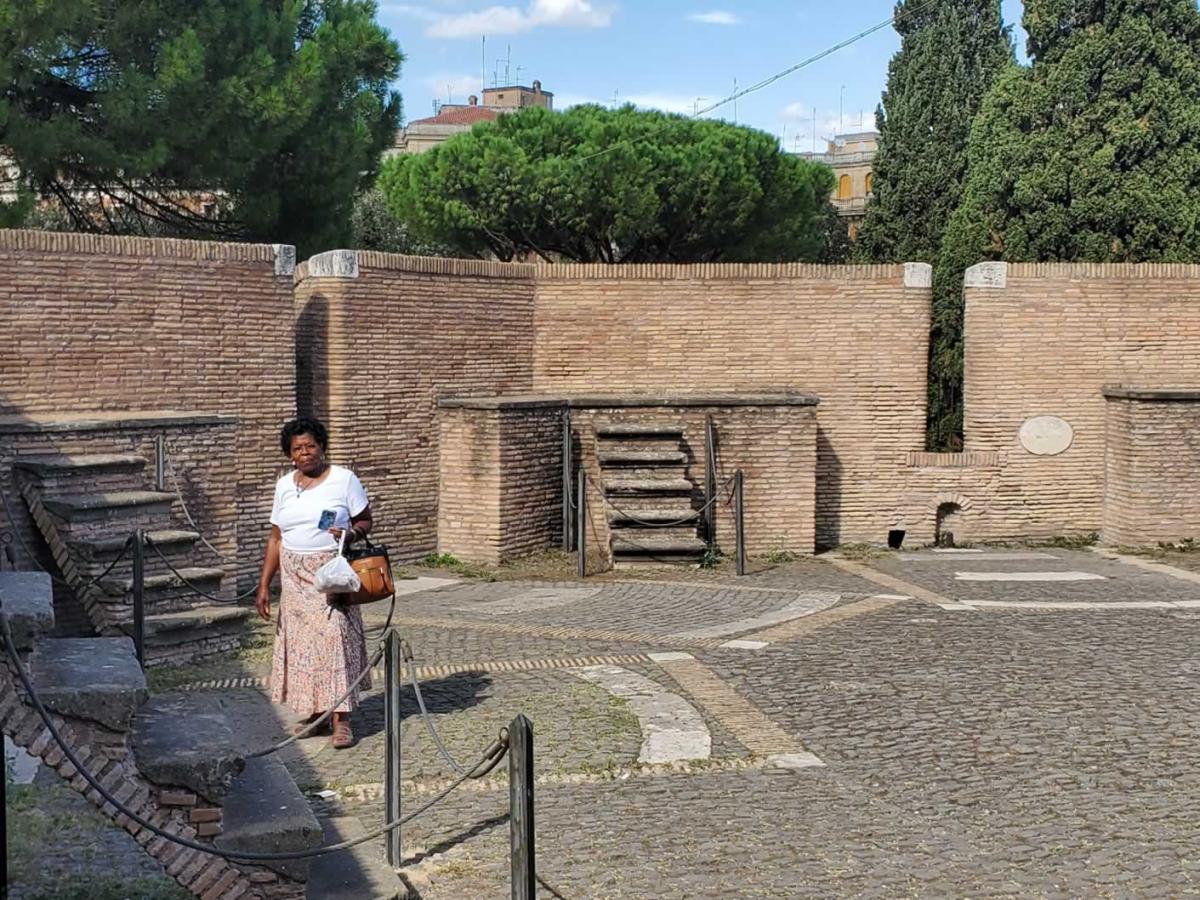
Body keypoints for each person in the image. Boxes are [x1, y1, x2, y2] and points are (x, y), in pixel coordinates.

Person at [256, 417, 373, 749]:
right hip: (293, 578)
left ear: (322, 447)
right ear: (289, 454)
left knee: (335, 640)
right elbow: (276, 538)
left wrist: (351, 533)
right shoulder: (284, 486)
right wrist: (264, 585)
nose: (305, 453)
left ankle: (342, 720)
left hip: (330, 572)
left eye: (310, 446)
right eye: (297, 449)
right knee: (304, 648)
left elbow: (366, 520)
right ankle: (317, 714)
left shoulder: (343, 480)